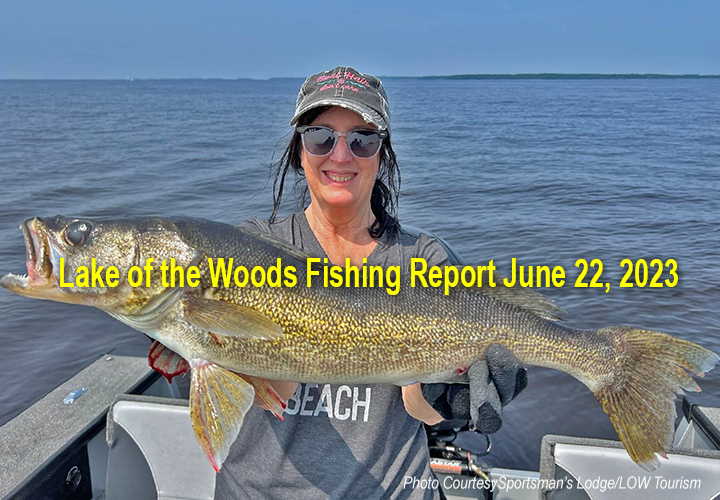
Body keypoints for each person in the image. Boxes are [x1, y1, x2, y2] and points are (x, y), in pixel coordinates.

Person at [214, 66, 527, 500]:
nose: (340, 156)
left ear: (382, 155)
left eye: (362, 139)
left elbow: (426, 410)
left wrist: (456, 401)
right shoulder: (252, 246)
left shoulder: (424, 259)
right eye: (321, 137)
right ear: (298, 151)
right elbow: (268, 387)